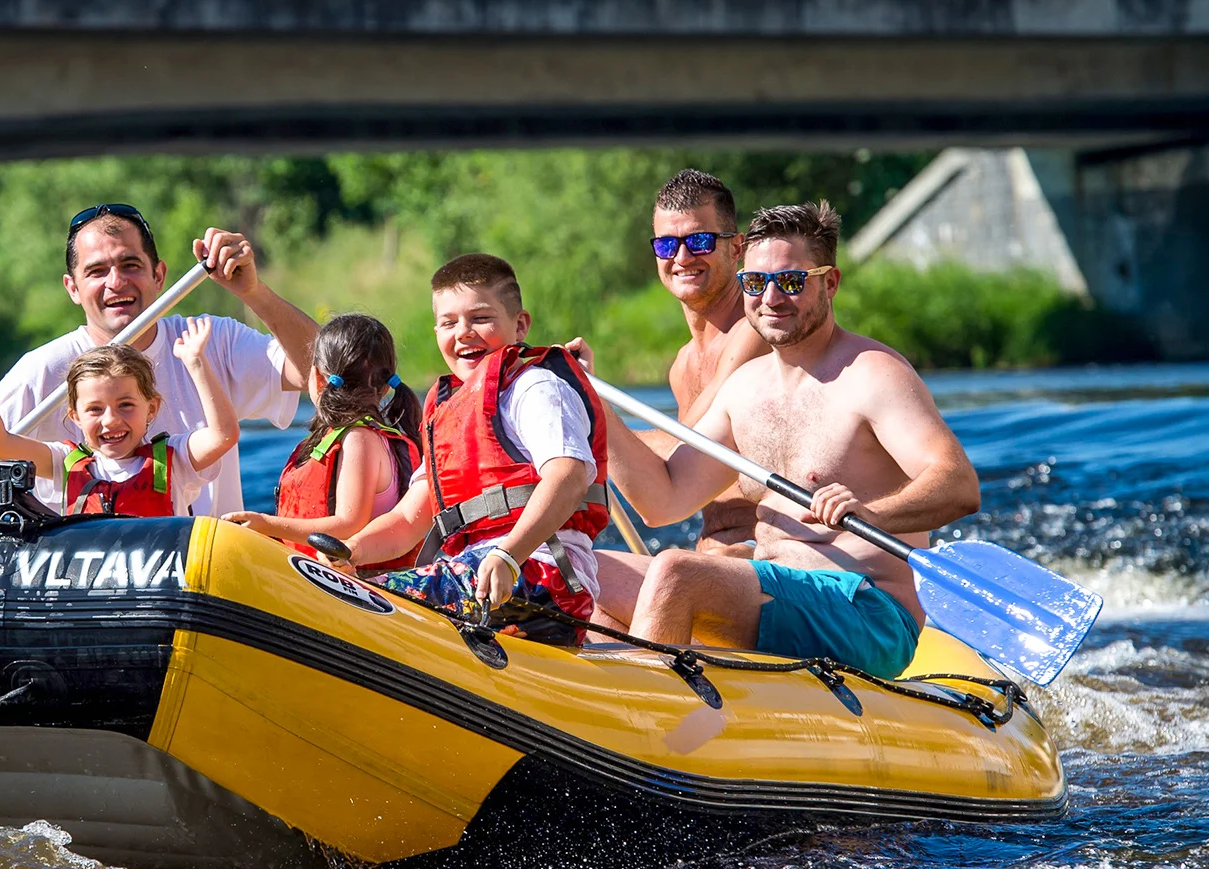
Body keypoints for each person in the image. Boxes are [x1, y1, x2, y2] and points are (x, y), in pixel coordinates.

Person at [573, 202, 979, 678]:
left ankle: (646, 720)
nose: (770, 298)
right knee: (587, 571)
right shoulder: (744, 388)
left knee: (675, 572)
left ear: (829, 283)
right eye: (754, 283)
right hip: (773, 596)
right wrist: (591, 400)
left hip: (865, 612)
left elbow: (958, 484)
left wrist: (873, 515)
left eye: (790, 281)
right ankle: (601, 713)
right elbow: (662, 499)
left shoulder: (873, 374)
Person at [0, 204, 317, 515]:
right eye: (97, 271)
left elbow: (321, 370)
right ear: (73, 287)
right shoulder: (44, 370)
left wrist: (252, 292)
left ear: (159, 276)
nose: (116, 283)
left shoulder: (207, 341)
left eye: (130, 265)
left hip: (199, 581)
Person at [325, 254, 609, 646]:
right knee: (347, 592)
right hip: (474, 575)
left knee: (365, 603)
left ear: (520, 324)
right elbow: (410, 518)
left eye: (480, 318)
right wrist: (350, 551)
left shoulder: (535, 387)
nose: (463, 333)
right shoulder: (446, 414)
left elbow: (569, 475)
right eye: (448, 322)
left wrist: (510, 555)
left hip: (541, 576)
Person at [0, 318, 236, 516]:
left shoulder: (175, 459)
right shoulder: (65, 462)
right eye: (95, 409)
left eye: (126, 405)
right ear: (74, 416)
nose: (111, 420)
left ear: (152, 409)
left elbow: (224, 435)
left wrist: (197, 364)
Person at [222, 313, 425, 573]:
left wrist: (266, 523)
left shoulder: (360, 439)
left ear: (317, 378)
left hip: (358, 583)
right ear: (386, 387)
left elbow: (348, 524)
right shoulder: (338, 438)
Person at [641, 169, 772, 553]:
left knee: (671, 575)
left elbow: (685, 447)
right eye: (667, 245)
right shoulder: (681, 366)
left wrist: (589, 423)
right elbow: (673, 487)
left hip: (776, 558)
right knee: (594, 585)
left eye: (699, 241)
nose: (682, 257)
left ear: (736, 248)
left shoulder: (756, 331)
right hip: (714, 556)